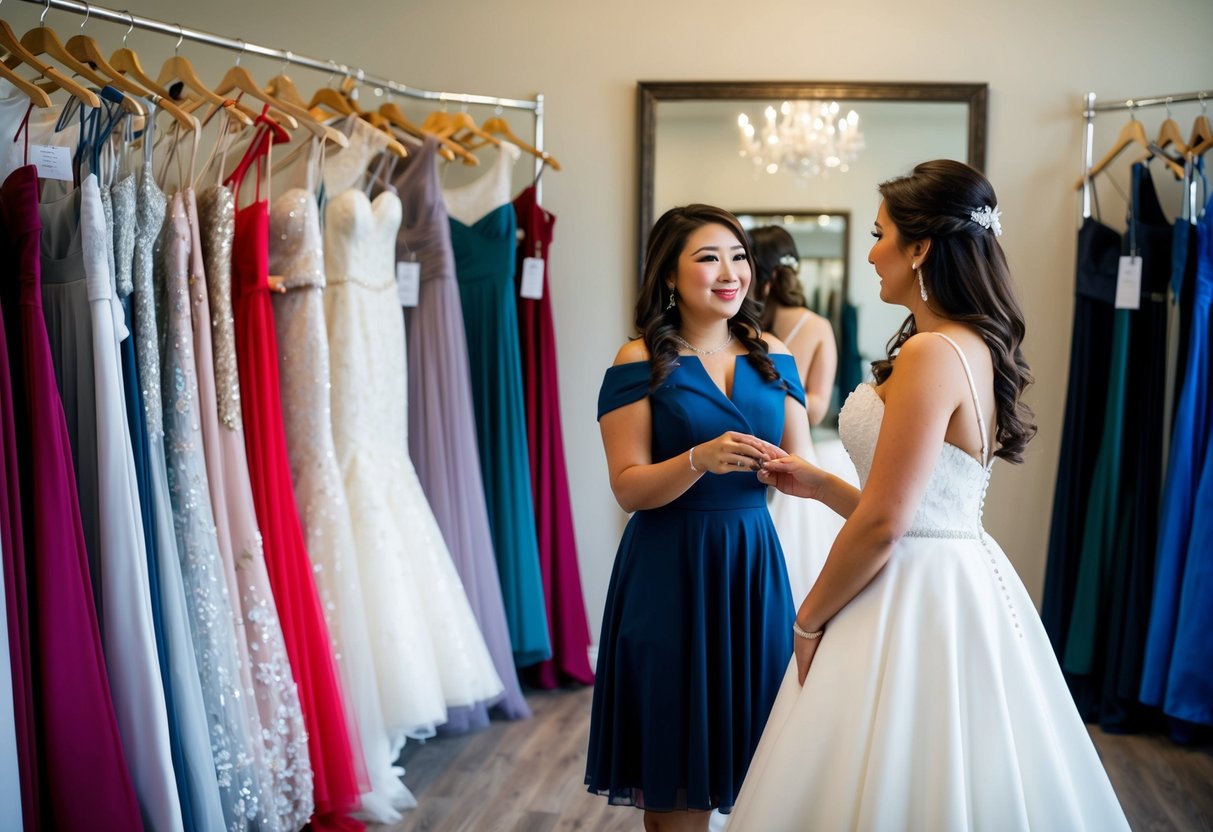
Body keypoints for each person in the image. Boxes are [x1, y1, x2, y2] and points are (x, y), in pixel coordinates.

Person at [728, 160, 1130, 831]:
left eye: (880, 233)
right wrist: (818, 481)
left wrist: (808, 618)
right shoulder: (965, 344)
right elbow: (917, 511)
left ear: (918, 249)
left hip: (909, 590)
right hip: (953, 569)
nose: (870, 251)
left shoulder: (930, 353)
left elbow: (888, 525)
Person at [585, 204, 812, 832]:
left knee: (760, 766)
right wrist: (697, 459)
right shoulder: (638, 360)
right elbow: (628, 487)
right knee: (676, 785)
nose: (729, 272)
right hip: (668, 571)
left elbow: (803, 468)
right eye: (709, 258)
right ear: (669, 275)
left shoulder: (774, 356)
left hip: (752, 568)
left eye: (738, 257)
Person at [748, 225, 857, 601]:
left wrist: (766, 407)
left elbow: (820, 404)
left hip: (792, 459)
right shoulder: (742, 327)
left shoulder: (816, 326)